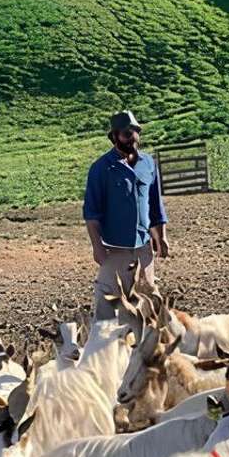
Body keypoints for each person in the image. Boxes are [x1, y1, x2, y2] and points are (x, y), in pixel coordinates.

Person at [82, 110, 168, 319]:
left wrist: (162, 235)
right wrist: (97, 247)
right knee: (108, 309)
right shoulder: (101, 168)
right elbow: (91, 213)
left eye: (135, 132)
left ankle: (144, 350)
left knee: (147, 306)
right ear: (115, 137)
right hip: (114, 251)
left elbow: (156, 204)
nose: (132, 138)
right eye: (126, 134)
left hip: (143, 249)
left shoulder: (148, 164)